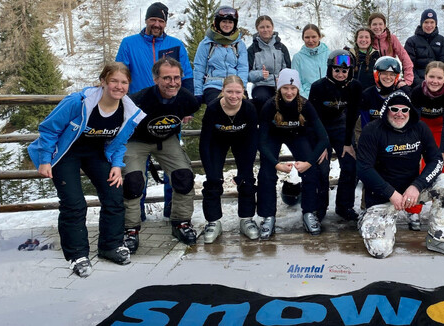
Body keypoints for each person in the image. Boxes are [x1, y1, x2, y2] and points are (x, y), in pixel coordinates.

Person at [27, 63, 146, 277]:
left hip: (96, 153)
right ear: (103, 81)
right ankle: (77, 255)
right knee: (74, 204)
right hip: (65, 153)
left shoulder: (128, 111)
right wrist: (45, 159)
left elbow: (119, 142)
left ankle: (110, 246)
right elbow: (49, 128)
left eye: (124, 82)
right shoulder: (78, 102)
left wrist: (117, 166)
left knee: (113, 194)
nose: (118, 86)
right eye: (113, 81)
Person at [356, 91, 444, 259]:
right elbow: (363, 169)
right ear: (386, 110)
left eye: (404, 109)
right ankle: (368, 220)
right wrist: (391, 194)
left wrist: (417, 186)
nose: (400, 114)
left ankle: (439, 238)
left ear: (410, 111)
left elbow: (436, 160)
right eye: (394, 109)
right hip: (382, 197)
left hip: (411, 193)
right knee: (380, 251)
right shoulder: (372, 130)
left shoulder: (420, 128)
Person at [116, 2, 193, 221]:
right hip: (136, 115)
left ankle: (172, 210)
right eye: (153, 20)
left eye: (161, 21)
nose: (156, 24)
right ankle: (137, 214)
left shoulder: (175, 44)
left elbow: (186, 76)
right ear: (146, 20)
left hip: (168, 115)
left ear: (165, 23)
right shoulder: (129, 43)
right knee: (136, 172)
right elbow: (121, 73)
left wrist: (185, 107)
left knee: (175, 168)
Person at [122, 58, 201, 251]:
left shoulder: (187, 99)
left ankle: (181, 222)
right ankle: (129, 229)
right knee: (133, 180)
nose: (172, 83)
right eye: (167, 78)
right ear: (156, 79)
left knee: (183, 175)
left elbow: (191, 108)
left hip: (166, 139)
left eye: (176, 78)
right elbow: (121, 125)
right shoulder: (138, 100)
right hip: (136, 140)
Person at [257, 69, 330, 238]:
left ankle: (309, 212)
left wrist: (309, 162)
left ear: (297, 88)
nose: (289, 92)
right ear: (279, 88)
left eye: (293, 88)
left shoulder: (305, 105)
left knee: (311, 171)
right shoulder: (269, 106)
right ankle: (268, 216)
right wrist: (276, 163)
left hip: (297, 135)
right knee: (266, 172)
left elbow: (324, 138)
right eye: (285, 88)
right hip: (274, 137)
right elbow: (261, 141)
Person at [199, 76, 258, 243]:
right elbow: (204, 142)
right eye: (229, 91)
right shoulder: (213, 108)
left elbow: (254, 138)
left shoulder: (249, 108)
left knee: (247, 179)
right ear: (222, 91)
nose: (233, 96)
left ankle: (246, 218)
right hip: (217, 142)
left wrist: (248, 165)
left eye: (238, 92)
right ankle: (213, 221)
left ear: (243, 92)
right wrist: (209, 170)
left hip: (243, 141)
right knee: (213, 180)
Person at [309, 50, 362, 221]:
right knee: (321, 167)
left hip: (342, 127)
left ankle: (344, 206)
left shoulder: (355, 86)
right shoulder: (318, 87)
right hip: (320, 129)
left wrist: (348, 142)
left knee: (350, 164)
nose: (340, 74)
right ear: (330, 69)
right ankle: (319, 208)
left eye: (344, 71)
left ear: (350, 71)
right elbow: (313, 118)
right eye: (337, 70)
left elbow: (353, 115)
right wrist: (321, 144)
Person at [407, 61, 444, 231]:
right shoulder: (418, 92)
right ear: (425, 77)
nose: (435, 81)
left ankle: (441, 207)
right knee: (419, 167)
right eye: (431, 77)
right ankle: (413, 210)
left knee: (441, 169)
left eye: (439, 77)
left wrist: (442, 151)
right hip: (420, 128)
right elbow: (414, 120)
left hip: (439, 130)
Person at [193, 6, 248, 106]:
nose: (227, 25)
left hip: (234, 85)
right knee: (217, 107)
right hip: (214, 84)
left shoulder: (239, 44)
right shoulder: (207, 43)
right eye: (224, 22)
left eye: (230, 22)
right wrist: (198, 92)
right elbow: (199, 68)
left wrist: (242, 86)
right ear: (218, 22)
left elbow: (243, 67)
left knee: (247, 108)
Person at [248, 15, 292, 113]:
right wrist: (260, 74)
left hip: (280, 85)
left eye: (268, 26)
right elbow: (247, 74)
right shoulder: (252, 50)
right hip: (262, 85)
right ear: (257, 29)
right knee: (261, 98)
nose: (265, 30)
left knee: (287, 100)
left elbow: (289, 69)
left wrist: (282, 77)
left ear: (272, 27)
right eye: (262, 27)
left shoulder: (281, 48)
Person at [404, 9, 444, 88]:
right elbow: (408, 66)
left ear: (436, 23)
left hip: (436, 82)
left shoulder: (441, 40)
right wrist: (419, 84)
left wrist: (442, 82)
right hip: (417, 84)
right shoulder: (411, 41)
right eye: (426, 22)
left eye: (432, 22)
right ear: (421, 23)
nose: (429, 25)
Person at [368, 13, 414, 87]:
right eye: (374, 24)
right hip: (372, 80)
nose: (377, 27)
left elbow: (405, 58)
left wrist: (407, 80)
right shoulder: (367, 39)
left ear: (385, 25)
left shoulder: (392, 39)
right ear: (370, 26)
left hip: (389, 79)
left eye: (380, 24)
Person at [291, 24, 330, 98]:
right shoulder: (297, 58)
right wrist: (305, 98)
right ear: (303, 38)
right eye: (307, 37)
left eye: (314, 37)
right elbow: (296, 81)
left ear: (319, 37)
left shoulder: (329, 55)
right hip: (307, 97)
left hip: (328, 97)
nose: (310, 40)